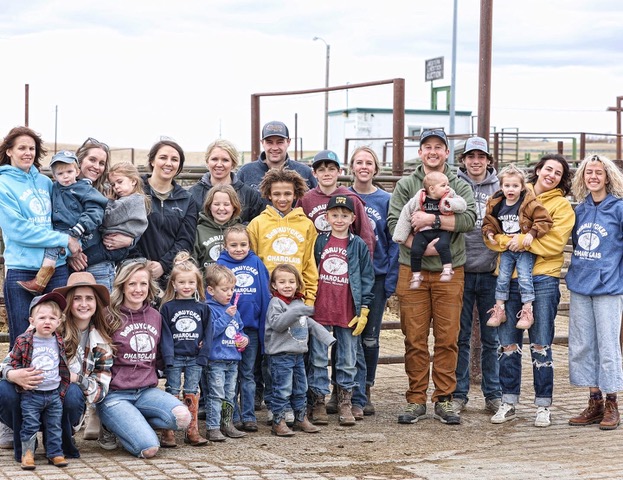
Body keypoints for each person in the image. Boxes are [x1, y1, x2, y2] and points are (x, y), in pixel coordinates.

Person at [388, 129, 476, 426]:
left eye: (439, 147)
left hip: (450, 274)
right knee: (413, 338)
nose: (433, 152)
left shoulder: (458, 184)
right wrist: (422, 247)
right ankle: (415, 399)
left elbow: (468, 219)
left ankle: (445, 398)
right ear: (421, 151)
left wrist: (433, 220)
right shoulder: (406, 185)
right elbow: (394, 222)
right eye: (428, 147)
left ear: (447, 152)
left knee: (447, 337)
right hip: (411, 268)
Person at [488, 154, 574, 428]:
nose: (551, 175)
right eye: (548, 168)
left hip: (543, 280)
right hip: (509, 280)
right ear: (538, 170)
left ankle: (543, 405)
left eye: (557, 173)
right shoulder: (510, 196)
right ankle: (509, 400)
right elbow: (492, 234)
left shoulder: (562, 207)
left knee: (541, 344)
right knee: (507, 344)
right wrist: (511, 240)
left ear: (562, 179)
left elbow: (554, 244)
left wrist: (518, 243)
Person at [0, 272, 114, 461]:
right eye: (77, 298)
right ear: (69, 302)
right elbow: (5, 364)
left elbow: (100, 392)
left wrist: (76, 378)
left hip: (61, 403)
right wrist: (13, 374)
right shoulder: (46, 325)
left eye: (89, 298)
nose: (83, 304)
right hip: (30, 398)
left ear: (96, 303)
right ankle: (26, 439)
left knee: (73, 392)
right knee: (3, 388)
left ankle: (58, 441)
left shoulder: (101, 344)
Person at [96, 259, 191, 457]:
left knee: (182, 418)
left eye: (143, 284)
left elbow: (160, 353)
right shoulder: (108, 315)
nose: (138, 289)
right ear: (122, 285)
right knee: (148, 448)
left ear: (150, 286)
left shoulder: (155, 316)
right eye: (132, 284)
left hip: (146, 392)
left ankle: (130, 422)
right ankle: (112, 423)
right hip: (115, 394)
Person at [0, 127, 80, 352]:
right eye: (21, 148)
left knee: (59, 333)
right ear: (9, 152)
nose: (28, 153)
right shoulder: (3, 184)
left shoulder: (46, 183)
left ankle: (55, 384)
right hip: (22, 269)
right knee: (23, 336)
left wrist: (71, 242)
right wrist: (63, 239)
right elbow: (17, 230)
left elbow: (62, 218)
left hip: (57, 270)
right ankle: (23, 385)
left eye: (32, 148)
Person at [567, 154, 623, 431]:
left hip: (609, 287)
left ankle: (612, 402)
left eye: (598, 173)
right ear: (582, 177)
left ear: (608, 176)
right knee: (583, 344)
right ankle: (594, 401)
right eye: (589, 172)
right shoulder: (579, 210)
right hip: (581, 284)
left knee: (608, 345)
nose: (593, 177)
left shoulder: (619, 208)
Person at [308, 194, 374, 426]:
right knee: (317, 358)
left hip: (347, 311)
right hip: (320, 310)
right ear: (326, 217)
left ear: (352, 218)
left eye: (344, 215)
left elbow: (366, 277)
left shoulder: (358, 245)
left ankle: (346, 401)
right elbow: (310, 271)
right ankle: (318, 401)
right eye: (334, 215)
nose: (339, 219)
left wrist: (364, 307)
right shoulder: (318, 242)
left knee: (347, 359)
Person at [452, 136, 502, 415]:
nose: (475, 161)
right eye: (471, 156)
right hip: (461, 269)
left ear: (488, 160)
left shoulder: (499, 186)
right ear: (464, 160)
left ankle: (492, 394)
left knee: (491, 337)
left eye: (480, 156)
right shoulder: (454, 184)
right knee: (460, 336)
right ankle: (459, 393)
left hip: (491, 271)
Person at [348, 146, 399, 416]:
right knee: (345, 334)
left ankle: (365, 388)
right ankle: (344, 389)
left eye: (369, 162)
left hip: (376, 276)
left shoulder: (385, 199)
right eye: (359, 162)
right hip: (346, 276)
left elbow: (393, 242)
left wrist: (390, 280)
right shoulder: (345, 197)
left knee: (370, 336)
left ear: (376, 168)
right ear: (352, 167)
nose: (364, 167)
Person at [17, 150, 108, 294]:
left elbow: (95, 212)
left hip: (78, 233)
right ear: (54, 176)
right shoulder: (54, 188)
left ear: (77, 171)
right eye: (60, 174)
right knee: (53, 246)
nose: (65, 176)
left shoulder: (84, 189)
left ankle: (39, 282)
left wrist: (78, 230)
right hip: (60, 233)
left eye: (69, 171)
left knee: (53, 248)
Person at [264, 264, 336, 436]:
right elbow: (278, 324)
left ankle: (301, 418)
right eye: (282, 282)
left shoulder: (298, 302)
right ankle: (278, 421)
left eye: (291, 281)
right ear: (274, 285)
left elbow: (309, 324)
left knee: (300, 388)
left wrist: (327, 338)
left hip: (298, 355)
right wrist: (297, 312)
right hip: (280, 355)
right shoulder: (276, 303)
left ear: (298, 283)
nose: (287, 285)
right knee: (282, 389)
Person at [483, 164, 553, 330]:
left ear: (522, 187)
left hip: (524, 250)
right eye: (507, 185)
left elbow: (544, 221)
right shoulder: (497, 203)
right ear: (501, 186)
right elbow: (489, 221)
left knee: (524, 277)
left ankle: (527, 310)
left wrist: (531, 234)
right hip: (507, 249)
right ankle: (499, 309)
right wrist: (490, 232)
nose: (511, 189)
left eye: (515, 186)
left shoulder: (529, 203)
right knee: (502, 277)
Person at [216, 225, 271, 432]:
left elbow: (265, 295)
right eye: (233, 245)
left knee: (248, 374)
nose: (239, 249)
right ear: (225, 245)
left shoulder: (256, 262)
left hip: (251, 330)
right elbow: (212, 298)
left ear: (249, 244)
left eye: (243, 244)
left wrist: (265, 325)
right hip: (227, 331)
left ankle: (248, 416)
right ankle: (231, 416)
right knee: (230, 375)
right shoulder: (220, 265)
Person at [10, 292, 70, 470]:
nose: (47, 321)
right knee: (30, 425)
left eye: (52, 318)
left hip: (53, 393)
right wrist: (17, 375)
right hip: (31, 393)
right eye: (42, 317)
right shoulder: (24, 341)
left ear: (59, 322)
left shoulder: (59, 341)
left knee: (54, 425)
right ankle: (27, 454)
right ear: (32, 320)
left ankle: (55, 453)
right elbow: (13, 361)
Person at [130, 138, 198, 290]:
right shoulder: (135, 191)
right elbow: (124, 229)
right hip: (135, 273)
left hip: (170, 276)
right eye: (163, 157)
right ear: (152, 161)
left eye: (174, 160)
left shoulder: (187, 199)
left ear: (179, 166)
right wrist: (142, 262)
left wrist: (163, 265)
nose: (168, 163)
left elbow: (186, 240)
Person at [159, 251, 211, 447]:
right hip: (175, 356)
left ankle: (192, 430)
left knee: (191, 391)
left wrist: (203, 354)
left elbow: (208, 333)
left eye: (190, 282)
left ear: (197, 284)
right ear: (174, 284)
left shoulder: (203, 308)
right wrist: (168, 357)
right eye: (182, 282)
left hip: (195, 357)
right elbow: (164, 334)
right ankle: (168, 431)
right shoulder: (167, 307)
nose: (186, 286)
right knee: (172, 390)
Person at [70, 137, 133, 291]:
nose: (96, 166)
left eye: (101, 163)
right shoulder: (63, 189)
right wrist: (69, 252)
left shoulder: (109, 193)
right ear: (79, 161)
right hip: (69, 263)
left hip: (100, 265)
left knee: (102, 313)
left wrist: (130, 239)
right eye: (92, 160)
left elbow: (131, 220)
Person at [247, 168, 318, 306]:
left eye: (287, 194)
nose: (282, 199)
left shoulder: (306, 225)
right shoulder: (257, 223)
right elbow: (251, 262)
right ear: (269, 195)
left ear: (295, 195)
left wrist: (310, 298)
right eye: (276, 194)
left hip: (296, 298)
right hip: (265, 297)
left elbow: (309, 264)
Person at [393, 171, 468, 289]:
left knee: (443, 245)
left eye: (447, 184)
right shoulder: (418, 197)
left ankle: (447, 269)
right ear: (432, 189)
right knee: (416, 250)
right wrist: (400, 235)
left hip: (441, 231)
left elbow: (465, 211)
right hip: (423, 232)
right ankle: (416, 275)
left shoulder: (451, 193)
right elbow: (404, 214)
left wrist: (448, 206)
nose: (447, 187)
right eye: (443, 185)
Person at [297, 149, 376, 254]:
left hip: (345, 260)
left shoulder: (351, 199)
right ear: (314, 173)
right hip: (313, 260)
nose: (327, 174)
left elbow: (366, 235)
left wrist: (365, 265)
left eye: (331, 169)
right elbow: (297, 231)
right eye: (321, 170)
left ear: (339, 171)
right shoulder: (305, 199)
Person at [204, 263, 249, 442]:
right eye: (224, 289)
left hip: (232, 359)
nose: (229, 293)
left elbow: (240, 330)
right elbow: (211, 332)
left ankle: (227, 424)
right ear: (211, 290)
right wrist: (226, 316)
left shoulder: (233, 311)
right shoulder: (209, 309)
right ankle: (213, 427)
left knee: (230, 393)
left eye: (232, 289)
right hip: (215, 361)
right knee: (216, 394)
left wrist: (244, 339)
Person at [82, 162, 150, 266]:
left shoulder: (129, 201)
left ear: (133, 181)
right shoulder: (136, 199)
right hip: (117, 246)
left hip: (115, 246)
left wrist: (108, 201)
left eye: (120, 182)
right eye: (113, 184)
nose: (116, 187)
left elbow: (108, 219)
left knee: (85, 260)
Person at [188, 139, 263, 223]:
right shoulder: (193, 194)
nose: (219, 164)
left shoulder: (249, 195)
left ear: (233, 164)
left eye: (225, 160)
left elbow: (257, 227)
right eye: (214, 159)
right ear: (207, 162)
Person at [237, 120, 317, 196]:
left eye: (280, 142)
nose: (275, 148)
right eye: (269, 142)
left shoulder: (305, 172)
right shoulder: (245, 172)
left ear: (288, 142)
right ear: (262, 143)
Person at [194, 184, 242, 268]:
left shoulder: (243, 231)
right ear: (209, 206)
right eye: (216, 204)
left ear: (234, 207)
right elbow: (193, 264)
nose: (221, 208)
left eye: (226, 204)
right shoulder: (198, 231)